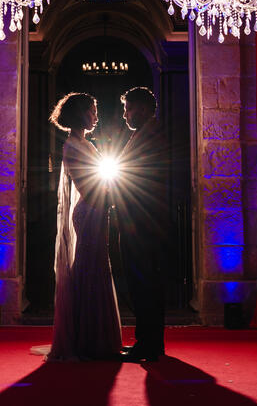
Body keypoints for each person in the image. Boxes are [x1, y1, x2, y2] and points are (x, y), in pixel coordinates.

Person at [45, 92, 122, 361]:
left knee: (95, 268)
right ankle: (88, 337)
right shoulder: (74, 145)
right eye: (91, 111)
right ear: (80, 114)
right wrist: (108, 196)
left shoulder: (83, 143)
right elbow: (86, 185)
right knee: (90, 269)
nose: (96, 116)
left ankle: (93, 336)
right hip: (90, 210)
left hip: (96, 208)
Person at [115, 87, 170, 361]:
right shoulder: (143, 134)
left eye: (128, 109)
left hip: (142, 221)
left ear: (144, 109)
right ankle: (149, 343)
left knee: (144, 283)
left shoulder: (150, 136)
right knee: (143, 283)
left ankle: (148, 344)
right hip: (140, 219)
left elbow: (140, 177)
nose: (125, 115)